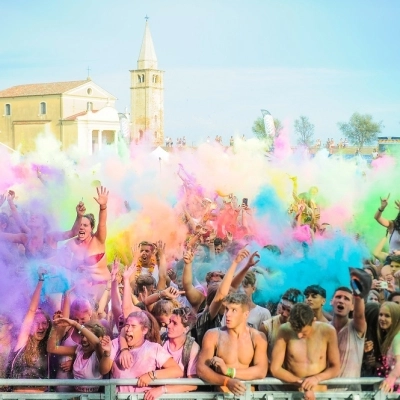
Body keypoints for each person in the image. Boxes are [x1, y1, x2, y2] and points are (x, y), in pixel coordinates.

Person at [197, 293, 268, 396]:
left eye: (234, 310)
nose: (228, 314)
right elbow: (201, 369)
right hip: (221, 396)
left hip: (248, 397)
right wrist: (227, 381)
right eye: (227, 309)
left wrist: (229, 371)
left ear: (246, 314)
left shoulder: (257, 337)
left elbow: (261, 371)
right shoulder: (213, 335)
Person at [99, 310, 182, 395]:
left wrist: (151, 375)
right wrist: (107, 353)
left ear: (144, 330)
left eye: (133, 326)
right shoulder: (115, 344)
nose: (128, 329)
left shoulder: (154, 348)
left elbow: (177, 371)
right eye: (127, 325)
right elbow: (103, 371)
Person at [270, 303, 340, 400]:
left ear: (314, 321)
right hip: (293, 395)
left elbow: (335, 367)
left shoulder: (328, 331)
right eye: (295, 330)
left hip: (319, 395)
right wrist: (302, 384)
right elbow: (275, 369)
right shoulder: (284, 330)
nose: (299, 335)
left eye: (304, 332)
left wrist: (316, 379)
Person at [7, 270, 52, 392]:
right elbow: (31, 311)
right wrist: (40, 281)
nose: (41, 327)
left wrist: (66, 292)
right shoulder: (22, 343)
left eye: (44, 323)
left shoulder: (48, 348)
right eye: (37, 323)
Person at [66, 186, 110, 302]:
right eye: (80, 224)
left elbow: (102, 223)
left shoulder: (98, 239)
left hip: (101, 287)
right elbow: (61, 263)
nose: (81, 227)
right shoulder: (71, 244)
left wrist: (103, 207)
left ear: (91, 228)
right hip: (79, 289)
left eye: (85, 225)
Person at [47, 315, 105, 393]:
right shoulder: (78, 349)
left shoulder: (99, 354)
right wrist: (55, 327)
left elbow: (97, 344)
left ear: (100, 338)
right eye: (82, 335)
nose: (84, 339)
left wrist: (75, 324)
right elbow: (51, 348)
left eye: (87, 337)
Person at [330, 285, 366, 388]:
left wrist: (357, 288)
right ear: (331, 301)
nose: (341, 301)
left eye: (346, 299)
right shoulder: (324, 329)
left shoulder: (356, 327)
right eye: (338, 297)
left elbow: (359, 315)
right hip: (325, 392)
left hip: (350, 393)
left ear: (352, 307)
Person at [260, 288, 304, 362]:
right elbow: (260, 356)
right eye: (283, 308)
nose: (284, 313)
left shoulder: (303, 328)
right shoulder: (266, 327)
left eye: (289, 311)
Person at [378, 302, 400, 392]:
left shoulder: (397, 337)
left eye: (387, 316)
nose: (382, 318)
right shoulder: (393, 336)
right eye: (380, 314)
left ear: (396, 318)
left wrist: (390, 379)